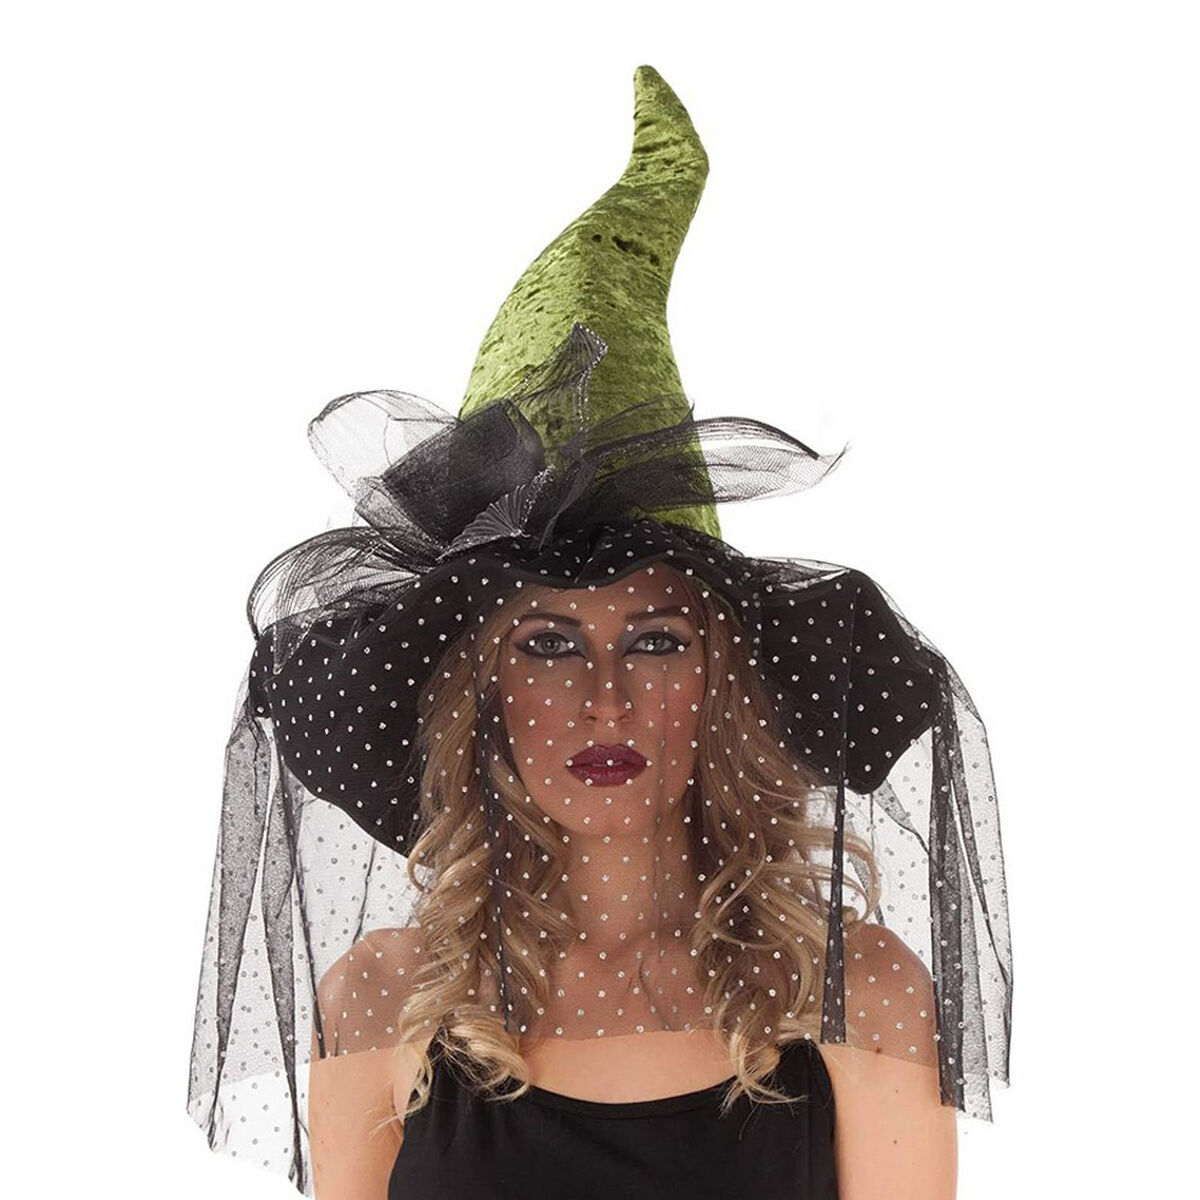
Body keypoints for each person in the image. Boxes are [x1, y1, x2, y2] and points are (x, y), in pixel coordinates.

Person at [188, 65, 1011, 1200]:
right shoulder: (381, 998)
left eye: (658, 641)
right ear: (478, 690)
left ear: (724, 683)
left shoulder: (855, 991)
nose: (606, 699)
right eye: (548, 645)